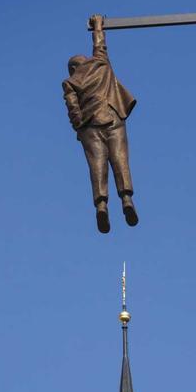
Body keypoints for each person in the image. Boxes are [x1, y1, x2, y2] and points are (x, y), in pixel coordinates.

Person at [63, 14, 138, 234]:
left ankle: (101, 205)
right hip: (112, 117)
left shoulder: (70, 82)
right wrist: (97, 24)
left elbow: (72, 109)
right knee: (120, 160)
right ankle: (126, 200)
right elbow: (99, 43)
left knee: (97, 166)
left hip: (90, 126)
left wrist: (79, 126)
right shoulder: (100, 63)